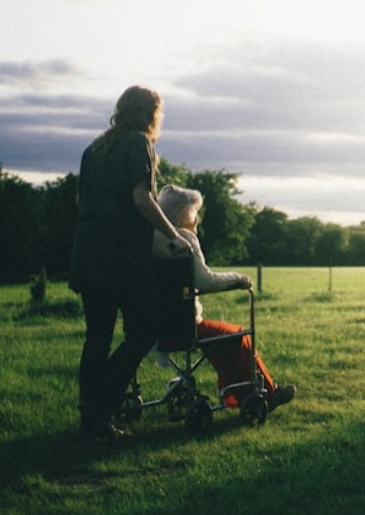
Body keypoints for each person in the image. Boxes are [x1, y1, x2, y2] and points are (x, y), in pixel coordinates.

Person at [69, 86, 190, 441]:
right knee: (145, 330)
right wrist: (173, 235)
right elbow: (142, 199)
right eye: (159, 112)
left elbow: (81, 202)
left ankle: (91, 419)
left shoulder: (94, 149)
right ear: (150, 113)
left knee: (98, 337)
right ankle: (100, 403)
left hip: (87, 255)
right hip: (121, 260)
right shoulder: (139, 144)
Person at [152, 184, 296, 411]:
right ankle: (267, 392)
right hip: (183, 325)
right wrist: (238, 278)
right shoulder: (184, 239)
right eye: (195, 212)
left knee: (222, 339)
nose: (198, 218)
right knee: (238, 335)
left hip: (154, 325)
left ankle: (237, 394)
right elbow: (206, 281)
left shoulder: (151, 238)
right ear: (182, 214)